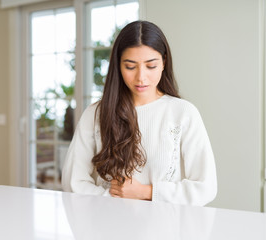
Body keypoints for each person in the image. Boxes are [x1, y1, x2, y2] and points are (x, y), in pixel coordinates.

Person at [61, 20, 217, 206]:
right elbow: (73, 182)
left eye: (150, 66)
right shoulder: (95, 113)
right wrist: (115, 198)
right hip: (108, 226)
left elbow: (205, 188)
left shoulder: (183, 113)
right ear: (118, 65)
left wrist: (146, 192)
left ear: (164, 62)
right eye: (130, 66)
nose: (141, 77)